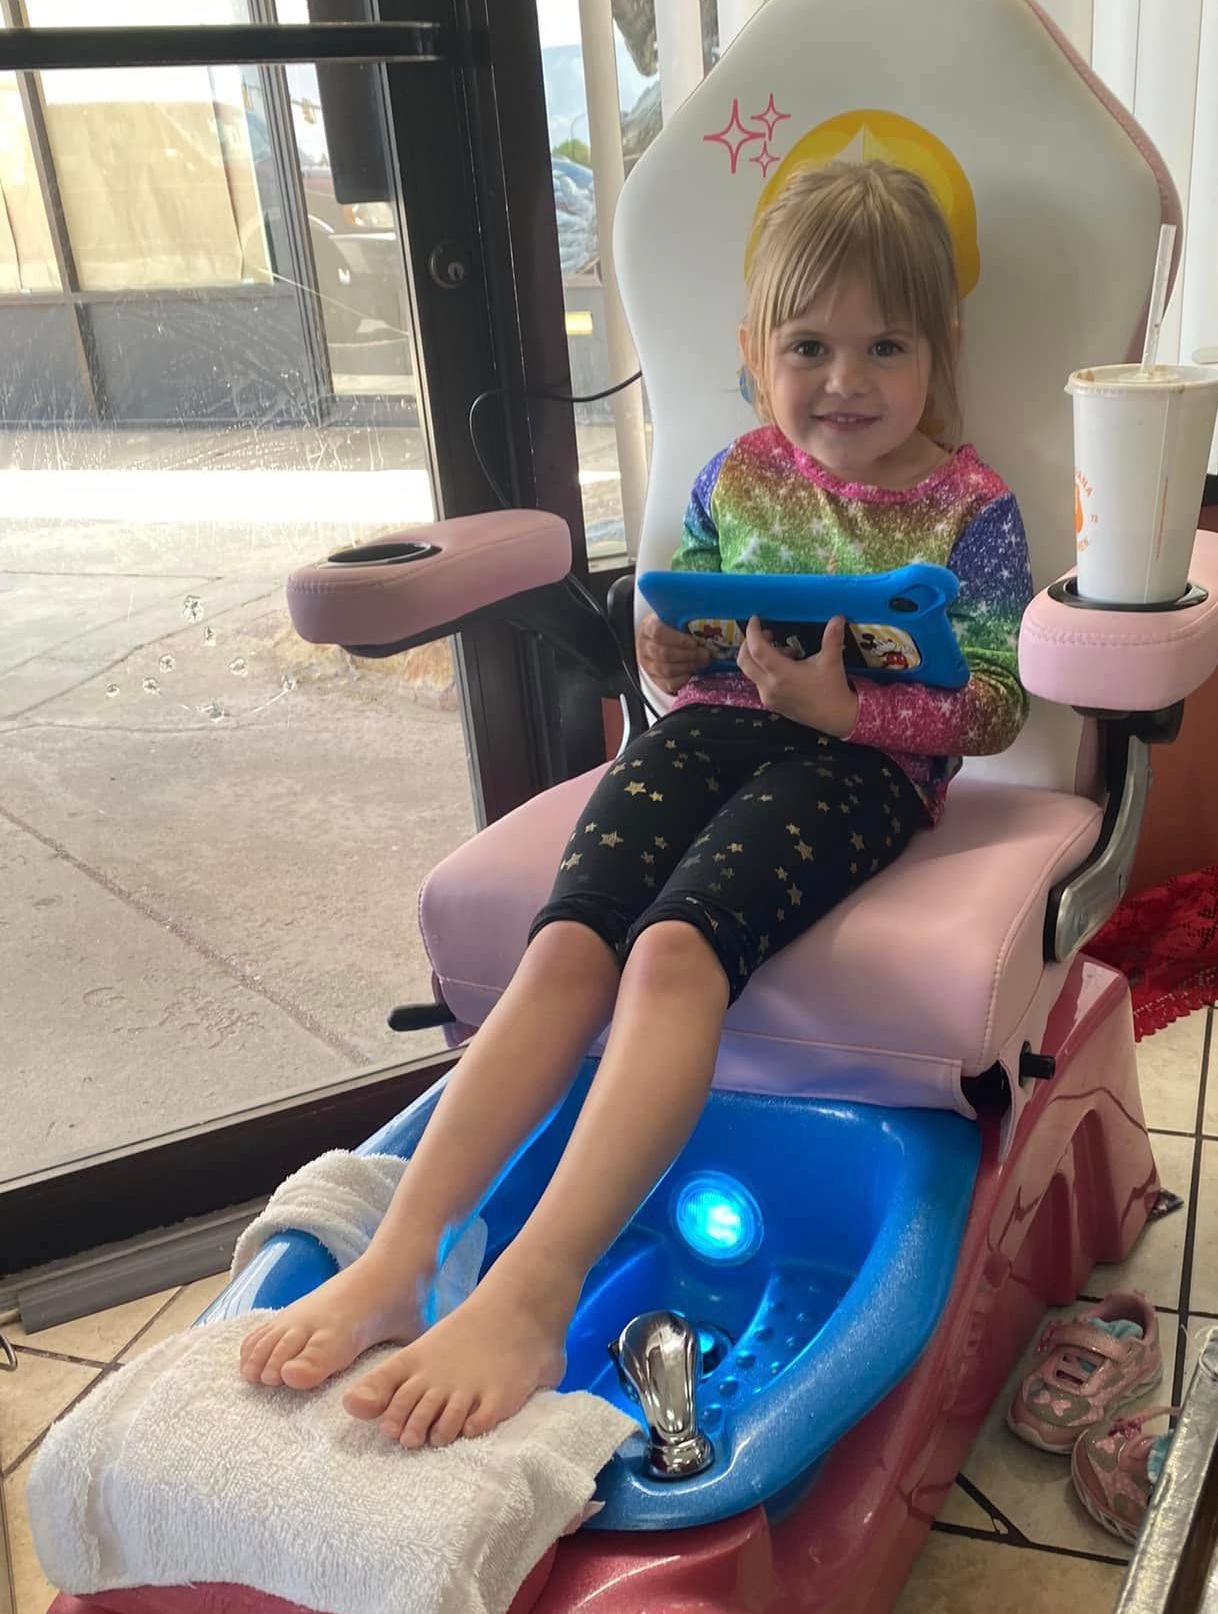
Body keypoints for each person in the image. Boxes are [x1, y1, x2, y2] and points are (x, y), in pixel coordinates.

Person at [239, 160, 1032, 1449]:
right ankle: (396, 1259)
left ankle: (532, 1296)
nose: (845, 379)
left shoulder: (971, 509)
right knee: (566, 948)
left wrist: (853, 714)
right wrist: (669, 644)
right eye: (809, 344)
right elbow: (684, 632)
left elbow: (998, 706)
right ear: (751, 353)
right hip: (711, 730)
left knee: (670, 952)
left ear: (939, 350)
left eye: (885, 344)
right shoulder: (738, 472)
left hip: (860, 767)